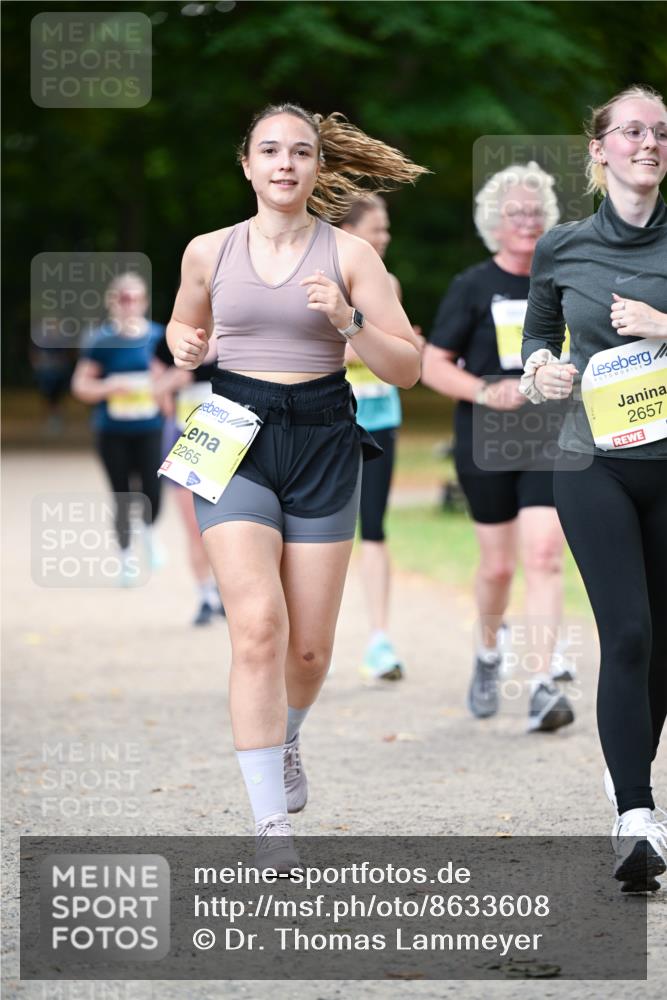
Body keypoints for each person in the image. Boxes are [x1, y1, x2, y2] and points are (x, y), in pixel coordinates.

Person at [166, 103, 425, 867]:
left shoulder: (350, 256)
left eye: (300, 152)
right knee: (257, 630)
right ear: (245, 164)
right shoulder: (207, 251)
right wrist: (182, 341)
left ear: (318, 168)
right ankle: (270, 827)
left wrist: (347, 321)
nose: (284, 163)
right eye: (269, 150)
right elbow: (185, 332)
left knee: (307, 653)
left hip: (321, 436)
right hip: (234, 437)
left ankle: (286, 741)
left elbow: (405, 366)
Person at [519, 85, 667, 891]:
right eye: (633, 131)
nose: (649, 143)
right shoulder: (562, 246)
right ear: (599, 150)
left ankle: (628, 783)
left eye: (661, 133)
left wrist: (662, 327)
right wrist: (540, 370)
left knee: (663, 644)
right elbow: (537, 337)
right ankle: (636, 817)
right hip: (590, 461)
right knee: (630, 631)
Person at [422, 163, 576, 733]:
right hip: (487, 439)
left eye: (536, 212)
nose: (528, 221)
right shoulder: (472, 286)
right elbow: (431, 365)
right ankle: (489, 652)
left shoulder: (562, 280)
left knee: (544, 555)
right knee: (497, 568)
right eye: (516, 212)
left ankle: (541, 684)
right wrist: (487, 391)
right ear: (495, 222)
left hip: (550, 435)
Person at [338, 195, 424, 681]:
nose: (385, 236)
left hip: (382, 420)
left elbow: (404, 352)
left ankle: (379, 640)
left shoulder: (387, 283)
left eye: (387, 228)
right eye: (378, 228)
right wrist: (379, 347)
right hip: (332, 422)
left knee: (374, 528)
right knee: (317, 534)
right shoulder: (325, 280)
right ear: (350, 230)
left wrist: (406, 347)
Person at [71, 272, 166, 583]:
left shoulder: (157, 337)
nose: (129, 305)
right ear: (112, 302)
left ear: (144, 302)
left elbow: (176, 379)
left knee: (153, 492)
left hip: (151, 427)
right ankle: (126, 560)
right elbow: (81, 386)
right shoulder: (100, 340)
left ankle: (148, 533)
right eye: (123, 298)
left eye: (135, 298)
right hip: (112, 431)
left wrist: (161, 383)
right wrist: (109, 386)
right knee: (122, 495)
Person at [153, 333, 226, 625]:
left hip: (229, 439)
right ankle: (206, 595)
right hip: (186, 439)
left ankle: (227, 591)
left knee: (232, 523)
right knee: (196, 526)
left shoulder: (236, 333)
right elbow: (160, 399)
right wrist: (172, 380)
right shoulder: (167, 343)